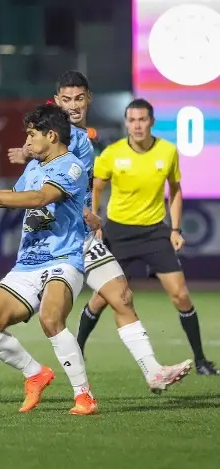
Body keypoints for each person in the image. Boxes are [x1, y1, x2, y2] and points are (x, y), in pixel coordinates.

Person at [0, 71, 192, 392]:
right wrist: (79, 207)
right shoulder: (71, 141)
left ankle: (151, 372)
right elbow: (57, 185)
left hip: (73, 234)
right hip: (65, 239)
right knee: (39, 306)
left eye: (79, 98)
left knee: (118, 296)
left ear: (88, 99)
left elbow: (65, 182)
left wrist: (29, 158)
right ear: (56, 102)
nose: (73, 105)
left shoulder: (76, 140)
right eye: (66, 100)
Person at [0, 103, 97, 415]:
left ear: (51, 135)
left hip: (63, 259)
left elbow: (39, 198)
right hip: (28, 263)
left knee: (51, 318)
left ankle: (84, 396)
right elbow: (13, 199)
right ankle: (35, 373)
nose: (27, 141)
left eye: (32, 134)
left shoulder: (72, 167)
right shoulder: (33, 168)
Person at [81, 98, 218, 375]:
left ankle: (201, 361)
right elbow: (96, 187)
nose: (137, 125)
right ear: (126, 123)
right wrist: (95, 221)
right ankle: (76, 350)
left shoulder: (167, 152)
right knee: (101, 298)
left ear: (151, 122)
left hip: (155, 232)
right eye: (132, 120)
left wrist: (175, 229)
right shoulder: (111, 153)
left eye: (142, 119)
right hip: (118, 233)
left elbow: (175, 189)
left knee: (181, 296)